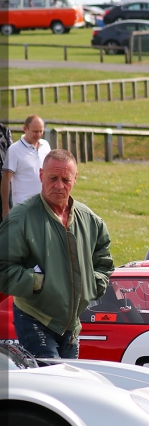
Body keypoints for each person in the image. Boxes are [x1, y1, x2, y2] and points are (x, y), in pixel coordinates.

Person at [0, 149, 113, 359]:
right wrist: (37, 282)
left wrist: (91, 284)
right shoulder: (20, 219)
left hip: (71, 325)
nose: (59, 185)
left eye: (65, 179)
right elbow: (3, 268)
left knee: (67, 385)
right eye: (53, 178)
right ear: (41, 175)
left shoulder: (90, 220)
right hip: (34, 318)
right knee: (52, 382)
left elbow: (103, 261)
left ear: (75, 178)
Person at [2, 115, 50, 218]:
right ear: (25, 129)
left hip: (45, 206)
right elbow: (5, 180)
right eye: (35, 131)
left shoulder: (45, 146)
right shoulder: (14, 150)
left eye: (41, 131)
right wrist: (5, 208)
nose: (39, 135)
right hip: (24, 209)